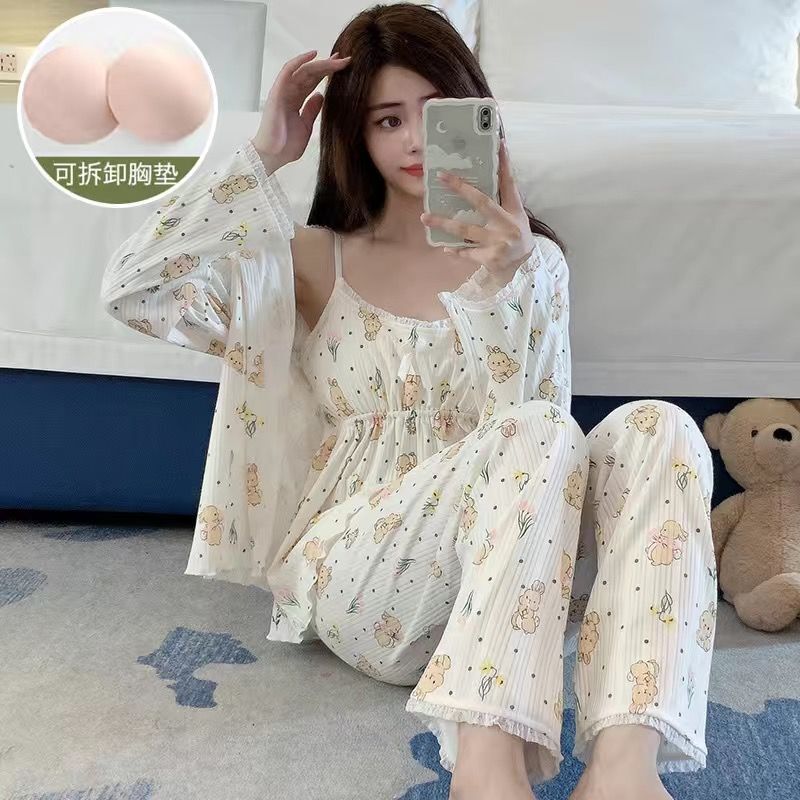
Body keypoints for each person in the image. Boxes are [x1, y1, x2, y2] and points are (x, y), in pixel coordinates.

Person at [100, 4, 718, 800]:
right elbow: (136, 292)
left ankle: (624, 771)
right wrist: (264, 153)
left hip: (513, 599)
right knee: (534, 432)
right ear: (355, 134)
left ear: (478, 113)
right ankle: (487, 770)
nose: (418, 141)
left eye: (438, 112)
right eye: (388, 119)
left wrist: (511, 279)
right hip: (364, 577)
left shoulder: (535, 263)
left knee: (659, 427)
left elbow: (545, 449)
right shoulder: (312, 258)